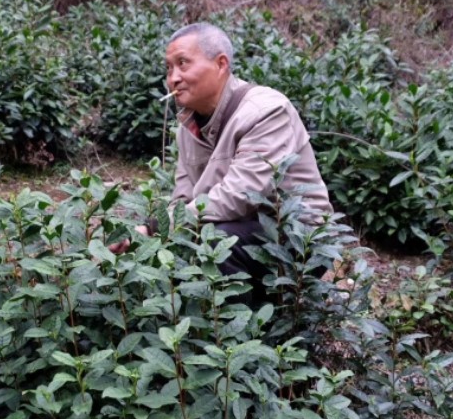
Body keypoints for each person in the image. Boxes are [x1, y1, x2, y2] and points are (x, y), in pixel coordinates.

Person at [111, 22, 333, 291]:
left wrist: (154, 227)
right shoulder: (188, 128)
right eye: (169, 68)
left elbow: (240, 196)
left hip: (300, 238)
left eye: (183, 63)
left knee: (217, 242)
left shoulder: (265, 110)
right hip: (243, 229)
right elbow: (183, 199)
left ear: (220, 64)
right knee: (182, 242)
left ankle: (248, 319)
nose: (173, 78)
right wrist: (144, 235)